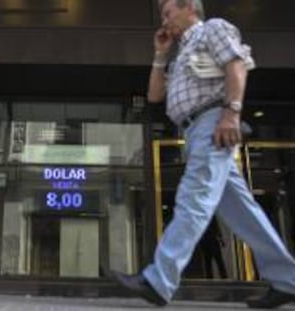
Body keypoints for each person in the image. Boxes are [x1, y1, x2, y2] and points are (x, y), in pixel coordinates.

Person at [111, 0, 295, 308]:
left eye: (168, 12)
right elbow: (155, 95)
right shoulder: (181, 52)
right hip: (195, 130)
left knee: (193, 198)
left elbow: (235, 65)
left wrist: (231, 113)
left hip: (213, 122)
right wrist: (160, 55)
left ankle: (159, 279)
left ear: (190, 8)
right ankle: (288, 280)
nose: (164, 20)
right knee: (243, 212)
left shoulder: (213, 28)